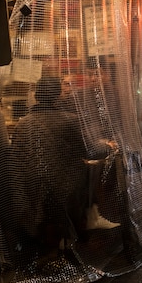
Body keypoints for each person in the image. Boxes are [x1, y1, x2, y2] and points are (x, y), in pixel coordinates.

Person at [10, 76, 89, 260]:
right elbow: (90, 151)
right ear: (57, 96)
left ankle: (47, 247)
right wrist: (109, 146)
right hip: (66, 188)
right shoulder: (71, 120)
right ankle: (74, 243)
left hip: (33, 189)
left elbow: (15, 160)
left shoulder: (23, 124)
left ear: (37, 96)